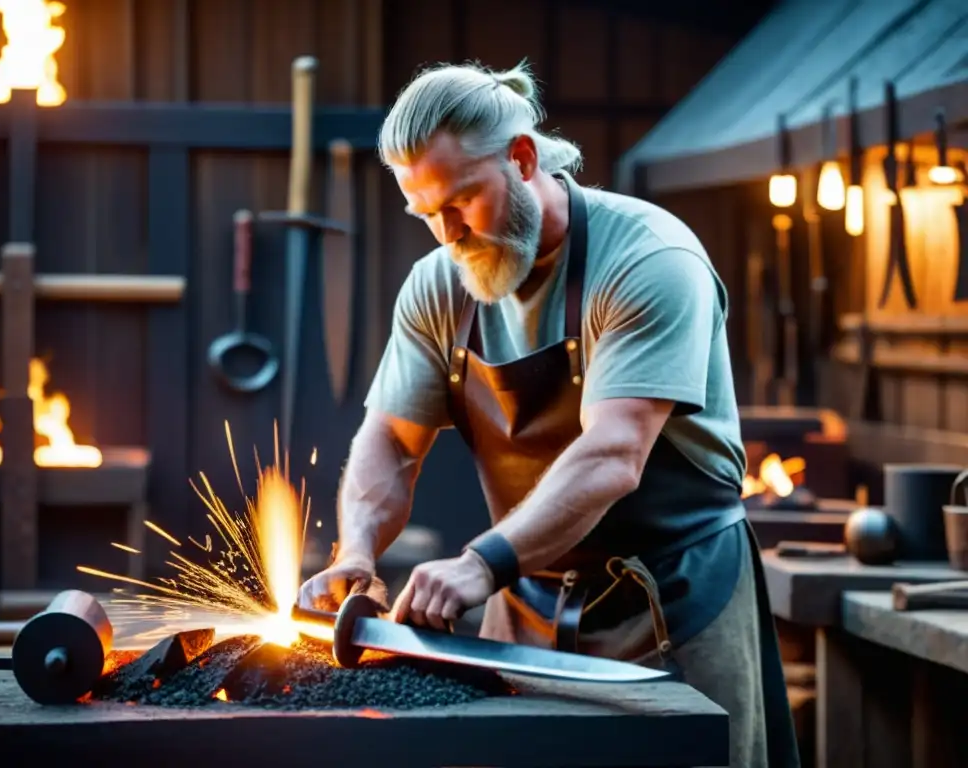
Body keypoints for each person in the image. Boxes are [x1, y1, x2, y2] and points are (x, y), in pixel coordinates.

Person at [298, 60, 800, 768]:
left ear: (523, 158)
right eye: (426, 214)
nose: (447, 234)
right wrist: (356, 553)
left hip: (673, 601)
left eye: (462, 201)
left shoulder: (649, 259)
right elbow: (390, 439)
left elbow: (614, 453)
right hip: (523, 603)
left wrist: (478, 564)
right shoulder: (440, 285)